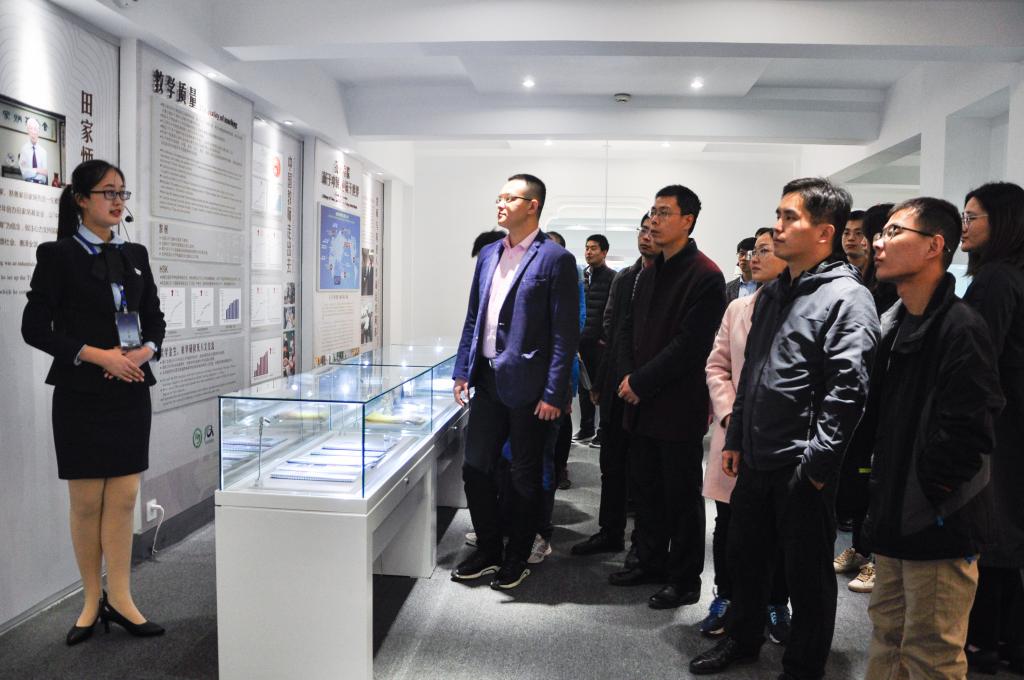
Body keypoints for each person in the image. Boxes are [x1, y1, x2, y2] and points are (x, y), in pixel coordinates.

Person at [690, 177, 880, 679]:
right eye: (778, 215)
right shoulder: (774, 293)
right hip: (756, 455)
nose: (776, 227)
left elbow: (848, 392)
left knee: (806, 575)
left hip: (802, 465)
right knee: (746, 558)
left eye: (789, 217)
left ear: (824, 232)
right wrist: (736, 437)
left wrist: (816, 467)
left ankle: (803, 666)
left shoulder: (847, 297)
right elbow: (752, 372)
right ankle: (743, 640)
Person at [21, 160, 166, 645]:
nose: (118, 200)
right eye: (108, 192)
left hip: (130, 390)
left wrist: (143, 352)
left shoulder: (135, 254)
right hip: (81, 393)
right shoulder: (58, 255)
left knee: (124, 499)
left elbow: (155, 320)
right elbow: (34, 329)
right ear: (81, 199)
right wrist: (98, 354)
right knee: (86, 503)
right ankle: (90, 601)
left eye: (122, 192)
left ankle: (121, 598)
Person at [862, 197, 1004, 680]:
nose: (879, 243)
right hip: (892, 514)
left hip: (937, 519)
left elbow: (970, 431)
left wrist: (929, 492)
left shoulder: (962, 327)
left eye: (894, 232)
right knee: (887, 637)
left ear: (933, 246)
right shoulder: (894, 322)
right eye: (881, 232)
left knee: (932, 653)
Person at [451, 173, 579, 590]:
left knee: (524, 475)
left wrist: (554, 392)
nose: (501, 204)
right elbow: (474, 316)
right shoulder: (489, 253)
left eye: (510, 198)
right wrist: (462, 370)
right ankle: (489, 548)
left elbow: (564, 334)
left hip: (530, 386)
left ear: (533, 205)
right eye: (499, 197)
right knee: (475, 467)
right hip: (487, 381)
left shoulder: (556, 259)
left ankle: (517, 556)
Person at [609, 184, 726, 611]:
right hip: (639, 402)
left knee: (681, 497)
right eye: (652, 212)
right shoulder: (648, 271)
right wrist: (628, 376)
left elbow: (691, 345)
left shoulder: (706, 275)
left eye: (663, 213)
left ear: (687, 221)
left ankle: (685, 579)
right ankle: (650, 561)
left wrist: (640, 381)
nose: (654, 221)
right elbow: (627, 329)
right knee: (645, 491)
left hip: (677, 405)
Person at [701, 227, 792, 644]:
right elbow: (717, 365)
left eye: (766, 251)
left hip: (779, 438)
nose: (755, 257)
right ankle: (726, 596)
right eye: (754, 250)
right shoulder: (737, 307)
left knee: (778, 527)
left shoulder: (800, 309)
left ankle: (776, 602)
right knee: (728, 522)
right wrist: (728, 415)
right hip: (733, 432)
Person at [960, 182, 1024, 674]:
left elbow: (978, 364)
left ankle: (986, 642)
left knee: (995, 535)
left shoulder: (997, 278)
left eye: (972, 217)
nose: (964, 226)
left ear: (1000, 223)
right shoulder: (1010, 274)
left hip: (1000, 427)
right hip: (1011, 422)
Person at [571, 215, 658, 557]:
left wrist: (639, 379)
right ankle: (610, 532)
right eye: (643, 230)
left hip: (651, 391)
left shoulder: (675, 278)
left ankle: (646, 549)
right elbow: (612, 330)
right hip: (616, 386)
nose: (647, 236)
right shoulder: (625, 278)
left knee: (646, 473)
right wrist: (603, 382)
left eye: (654, 229)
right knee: (612, 466)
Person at [833, 202, 898, 595]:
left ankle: (877, 558)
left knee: (875, 480)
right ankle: (859, 547)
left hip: (883, 401)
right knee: (857, 478)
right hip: (861, 398)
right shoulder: (860, 282)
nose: (862, 241)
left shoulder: (894, 288)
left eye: (868, 233)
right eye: (851, 233)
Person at [573, 233, 614, 446]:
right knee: (584, 387)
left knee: (603, 389)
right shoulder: (582, 277)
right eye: (587, 248)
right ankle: (586, 428)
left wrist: (604, 339)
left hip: (600, 344)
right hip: (582, 342)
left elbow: (612, 313)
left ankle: (603, 431)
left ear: (604, 252)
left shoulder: (613, 278)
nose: (589, 252)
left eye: (594, 248)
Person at [19, 117, 49, 184]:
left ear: (38, 132)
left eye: (35, 129)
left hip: (41, 185)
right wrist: (37, 170)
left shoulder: (43, 152)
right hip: (27, 184)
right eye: (31, 129)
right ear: (28, 131)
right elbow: (24, 173)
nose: (33, 132)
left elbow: (45, 173)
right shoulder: (24, 150)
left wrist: (31, 170)